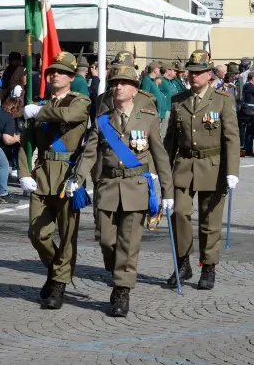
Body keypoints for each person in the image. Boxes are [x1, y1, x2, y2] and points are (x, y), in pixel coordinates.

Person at [74, 64, 173, 317]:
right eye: (115, 82)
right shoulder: (102, 121)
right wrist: (78, 178)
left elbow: (160, 157)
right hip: (108, 186)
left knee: (128, 243)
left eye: (124, 82)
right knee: (106, 239)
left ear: (134, 89)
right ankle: (118, 269)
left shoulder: (148, 119)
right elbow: (90, 153)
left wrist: (167, 192)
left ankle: (121, 290)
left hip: (136, 187)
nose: (118, 86)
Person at [164, 49, 240, 290]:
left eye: (198, 72)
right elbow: (170, 140)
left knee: (210, 221)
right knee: (180, 214)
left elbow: (231, 137)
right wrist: (163, 170)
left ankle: (208, 266)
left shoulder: (222, 99)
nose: (193, 76)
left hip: (213, 166)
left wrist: (232, 170)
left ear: (209, 74)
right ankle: (183, 261)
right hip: (184, 165)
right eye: (190, 72)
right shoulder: (179, 100)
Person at [20, 51, 90, 310]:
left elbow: (67, 117)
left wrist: (38, 111)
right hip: (42, 174)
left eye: (61, 71)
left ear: (72, 77)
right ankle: (56, 269)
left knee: (67, 233)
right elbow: (26, 143)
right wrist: (24, 172)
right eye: (51, 71)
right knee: (37, 233)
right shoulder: (38, 104)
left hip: (67, 174)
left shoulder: (79, 101)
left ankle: (58, 284)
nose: (55, 75)